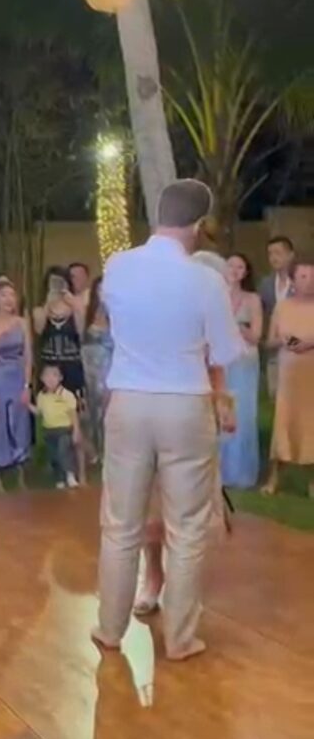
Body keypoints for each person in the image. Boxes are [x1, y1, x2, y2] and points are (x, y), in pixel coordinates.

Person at [94, 179, 244, 662]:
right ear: (198, 226)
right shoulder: (205, 280)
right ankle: (180, 639)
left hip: (130, 400)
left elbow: (112, 325)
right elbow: (224, 351)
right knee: (186, 526)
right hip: (184, 403)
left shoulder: (118, 267)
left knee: (120, 524)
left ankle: (110, 628)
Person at [263, 257, 314, 498]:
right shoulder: (282, 307)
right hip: (289, 374)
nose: (309, 282)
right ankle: (274, 476)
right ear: (293, 280)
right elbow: (270, 339)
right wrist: (288, 341)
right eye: (303, 276)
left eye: (313, 276)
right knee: (284, 421)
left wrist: (308, 343)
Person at [33, 266, 89, 482]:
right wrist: (49, 303)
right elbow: (38, 330)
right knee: (53, 419)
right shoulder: (40, 310)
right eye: (53, 282)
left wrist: (74, 304)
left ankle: (81, 470)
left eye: (61, 282)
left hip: (72, 366)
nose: (57, 286)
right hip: (50, 368)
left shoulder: (76, 306)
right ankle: (58, 466)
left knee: (76, 418)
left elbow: (82, 332)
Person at [0, 279, 32, 493]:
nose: (9, 299)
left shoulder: (22, 323)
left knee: (20, 425)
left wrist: (28, 386)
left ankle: (20, 473)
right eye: (4, 295)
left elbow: (29, 356)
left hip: (18, 378)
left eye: (12, 295)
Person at [220, 253, 262, 488]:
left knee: (243, 413)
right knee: (221, 410)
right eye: (231, 265)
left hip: (244, 360)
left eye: (240, 267)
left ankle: (242, 472)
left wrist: (238, 327)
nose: (235, 270)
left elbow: (256, 336)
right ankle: (220, 470)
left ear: (246, 273)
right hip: (222, 360)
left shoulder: (252, 299)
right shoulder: (216, 297)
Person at [30, 364, 80, 490]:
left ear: (60, 378)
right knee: (54, 455)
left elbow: (73, 413)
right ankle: (60, 478)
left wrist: (76, 431)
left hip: (64, 429)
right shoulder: (41, 396)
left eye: (54, 375)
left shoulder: (66, 395)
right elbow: (39, 412)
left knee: (64, 451)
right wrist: (27, 405)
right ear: (42, 378)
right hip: (49, 431)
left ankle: (70, 475)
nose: (51, 379)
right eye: (47, 375)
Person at [80, 277, 113, 461]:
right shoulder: (88, 314)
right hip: (90, 368)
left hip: (109, 367)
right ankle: (96, 450)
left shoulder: (117, 315)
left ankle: (110, 450)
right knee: (93, 409)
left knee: (107, 410)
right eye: (99, 290)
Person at [259, 236, 295, 396]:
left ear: (290, 255)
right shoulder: (265, 284)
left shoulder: (303, 283)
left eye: (278, 253)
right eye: (270, 253)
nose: (274, 257)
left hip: (299, 349)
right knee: (276, 396)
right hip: (273, 350)